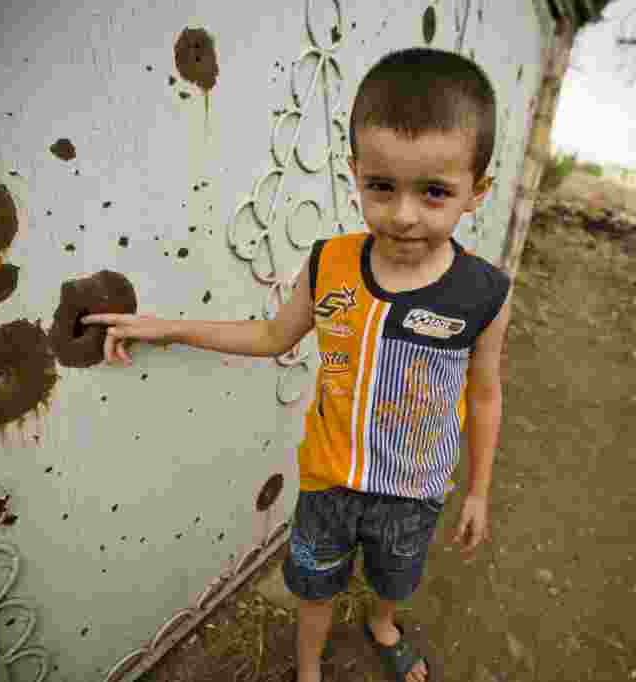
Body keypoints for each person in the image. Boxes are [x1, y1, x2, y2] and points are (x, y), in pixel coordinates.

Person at [83, 47, 510, 682]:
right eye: (381, 186)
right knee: (315, 588)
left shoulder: (483, 292)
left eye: (435, 192)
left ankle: (384, 624)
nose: (403, 214)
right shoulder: (329, 264)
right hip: (327, 485)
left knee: (396, 576)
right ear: (355, 173)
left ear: (477, 192)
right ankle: (309, 671)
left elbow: (483, 395)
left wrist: (477, 490)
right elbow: (270, 334)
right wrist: (165, 326)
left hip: (415, 491)